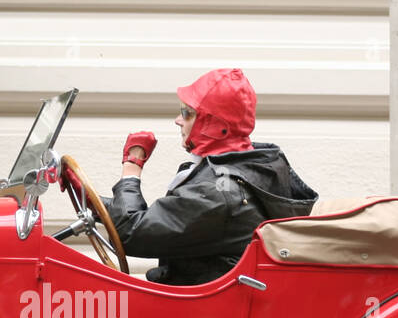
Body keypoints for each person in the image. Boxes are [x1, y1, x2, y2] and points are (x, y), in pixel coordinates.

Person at [105, 67, 318, 286]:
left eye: (188, 113)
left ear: (214, 126)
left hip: (193, 310)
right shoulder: (254, 165)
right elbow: (163, 220)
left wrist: (132, 166)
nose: (178, 119)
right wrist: (92, 202)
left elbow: (131, 233)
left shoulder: (217, 191)